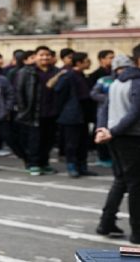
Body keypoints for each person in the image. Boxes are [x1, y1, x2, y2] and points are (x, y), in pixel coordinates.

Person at [96, 45, 140, 244]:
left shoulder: (116, 82)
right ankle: (137, 232)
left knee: (121, 180)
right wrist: (111, 131)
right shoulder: (136, 82)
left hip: (115, 137)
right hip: (131, 137)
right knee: (135, 185)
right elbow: (135, 112)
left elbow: (104, 108)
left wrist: (102, 130)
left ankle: (106, 223)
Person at [15, 46, 60, 176]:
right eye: (41, 55)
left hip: (51, 112)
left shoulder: (56, 71)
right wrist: (23, 109)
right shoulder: (26, 72)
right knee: (34, 140)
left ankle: (44, 163)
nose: (45, 57)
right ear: (35, 57)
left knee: (48, 140)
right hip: (34, 112)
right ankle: (33, 164)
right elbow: (19, 91)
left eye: (47, 55)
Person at [55, 52, 98, 178]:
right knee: (71, 143)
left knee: (83, 142)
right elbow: (59, 93)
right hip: (72, 114)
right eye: (87, 60)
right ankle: (72, 166)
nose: (89, 63)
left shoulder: (83, 76)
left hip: (83, 114)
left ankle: (82, 166)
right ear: (79, 63)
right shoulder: (68, 76)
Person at [89, 50, 116, 167]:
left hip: (114, 111)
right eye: (110, 57)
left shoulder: (116, 75)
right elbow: (93, 94)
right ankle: (103, 157)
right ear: (102, 59)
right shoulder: (96, 76)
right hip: (102, 110)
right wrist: (109, 98)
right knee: (101, 132)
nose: (113, 60)